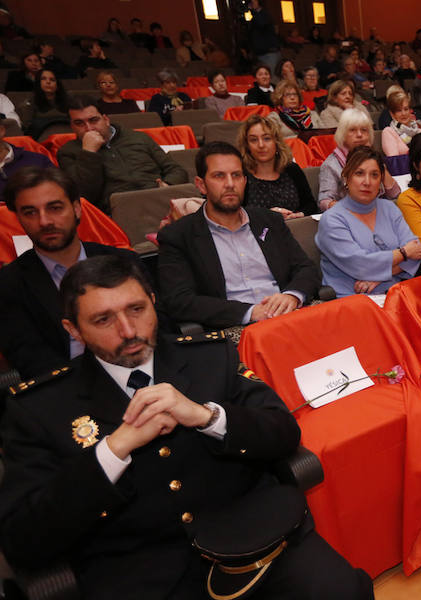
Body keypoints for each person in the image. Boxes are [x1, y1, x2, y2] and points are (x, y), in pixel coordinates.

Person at [0, 253, 375, 600]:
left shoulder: (210, 356)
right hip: (138, 570)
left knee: (341, 590)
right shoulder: (39, 407)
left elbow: (283, 432)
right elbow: (23, 539)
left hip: (255, 537)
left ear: (153, 302)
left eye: (137, 309)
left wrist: (207, 417)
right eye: (103, 320)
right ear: (74, 329)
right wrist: (111, 453)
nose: (128, 330)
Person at [157, 142, 319, 329]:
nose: (230, 184)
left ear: (245, 180)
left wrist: (292, 295)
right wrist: (249, 312)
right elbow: (179, 300)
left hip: (289, 314)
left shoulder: (269, 221)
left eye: (236, 175)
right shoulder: (178, 235)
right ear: (201, 185)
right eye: (219, 176)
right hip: (236, 328)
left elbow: (306, 268)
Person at [0, 167, 136, 379]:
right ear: (18, 218)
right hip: (70, 386)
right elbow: (32, 360)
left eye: (55, 208)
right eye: (30, 213)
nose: (44, 221)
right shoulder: (9, 284)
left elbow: (160, 329)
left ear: (77, 209)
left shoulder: (124, 261)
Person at [316, 146, 421, 297]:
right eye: (359, 173)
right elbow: (360, 265)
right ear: (346, 177)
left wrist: (378, 277)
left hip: (397, 292)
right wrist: (404, 253)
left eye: (374, 175)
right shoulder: (332, 220)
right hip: (353, 299)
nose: (367, 182)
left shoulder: (389, 208)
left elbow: (417, 251)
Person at [57, 97, 189, 214]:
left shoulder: (138, 137)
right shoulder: (68, 152)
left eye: (94, 120)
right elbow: (84, 196)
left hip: (159, 199)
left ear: (106, 119)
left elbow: (176, 170)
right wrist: (89, 153)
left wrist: (167, 185)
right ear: (72, 127)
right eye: (79, 123)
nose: (89, 128)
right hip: (120, 211)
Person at [318, 108, 399, 210]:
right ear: (342, 134)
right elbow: (324, 201)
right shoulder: (331, 165)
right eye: (352, 130)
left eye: (364, 130)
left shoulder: (373, 159)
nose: (360, 135)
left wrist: (380, 166)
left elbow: (395, 195)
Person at [238, 114, 317, 218]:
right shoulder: (240, 174)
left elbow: (311, 205)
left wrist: (298, 215)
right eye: (254, 140)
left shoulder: (292, 169)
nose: (261, 145)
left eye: (266, 138)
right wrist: (267, 215)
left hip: (296, 229)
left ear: (276, 142)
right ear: (247, 146)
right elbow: (235, 214)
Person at [23, 69, 69, 139]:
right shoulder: (31, 102)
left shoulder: (68, 101)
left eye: (52, 80)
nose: (48, 82)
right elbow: (28, 127)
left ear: (57, 85)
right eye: (43, 79)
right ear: (38, 83)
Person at [381, 90, 421, 156]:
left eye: (406, 109)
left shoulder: (419, 132)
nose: (403, 113)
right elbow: (394, 161)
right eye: (399, 110)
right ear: (392, 114)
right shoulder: (388, 132)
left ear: (410, 110)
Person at [247, 0, 281, 70]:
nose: (251, 4)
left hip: (269, 53)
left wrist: (254, 11)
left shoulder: (265, 14)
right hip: (260, 53)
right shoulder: (254, 18)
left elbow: (261, 23)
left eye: (254, 1)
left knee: (271, 76)